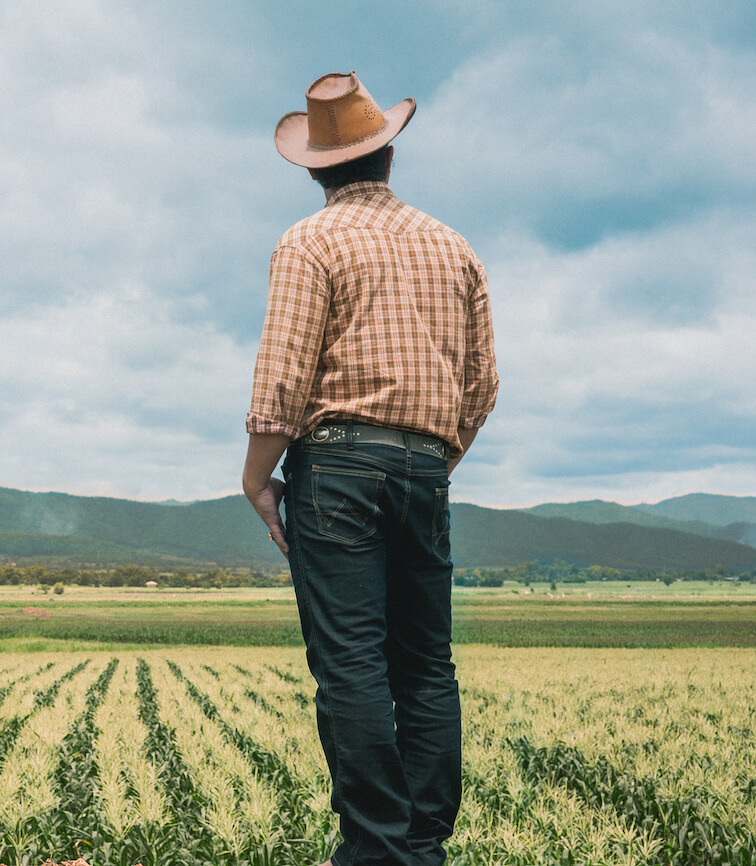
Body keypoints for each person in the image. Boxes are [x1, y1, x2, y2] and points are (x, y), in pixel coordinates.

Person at [242, 71, 499, 866]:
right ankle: (422, 849)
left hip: (336, 471)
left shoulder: (310, 240)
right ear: (387, 159)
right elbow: (482, 386)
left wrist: (257, 478)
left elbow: (283, 377)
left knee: (350, 664)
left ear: (317, 169)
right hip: (426, 469)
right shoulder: (453, 246)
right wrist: (429, 461)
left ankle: (375, 850)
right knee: (426, 663)